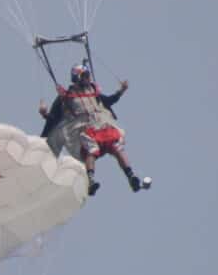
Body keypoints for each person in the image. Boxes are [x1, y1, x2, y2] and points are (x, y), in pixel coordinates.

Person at [39, 62, 149, 196]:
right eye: (85, 76)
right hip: (84, 130)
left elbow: (108, 101)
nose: (88, 78)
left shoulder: (93, 91)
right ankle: (90, 181)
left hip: (101, 126)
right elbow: (53, 119)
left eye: (88, 75)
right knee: (92, 149)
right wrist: (44, 114)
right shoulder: (66, 97)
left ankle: (131, 177)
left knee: (117, 146)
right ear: (77, 78)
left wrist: (121, 91)